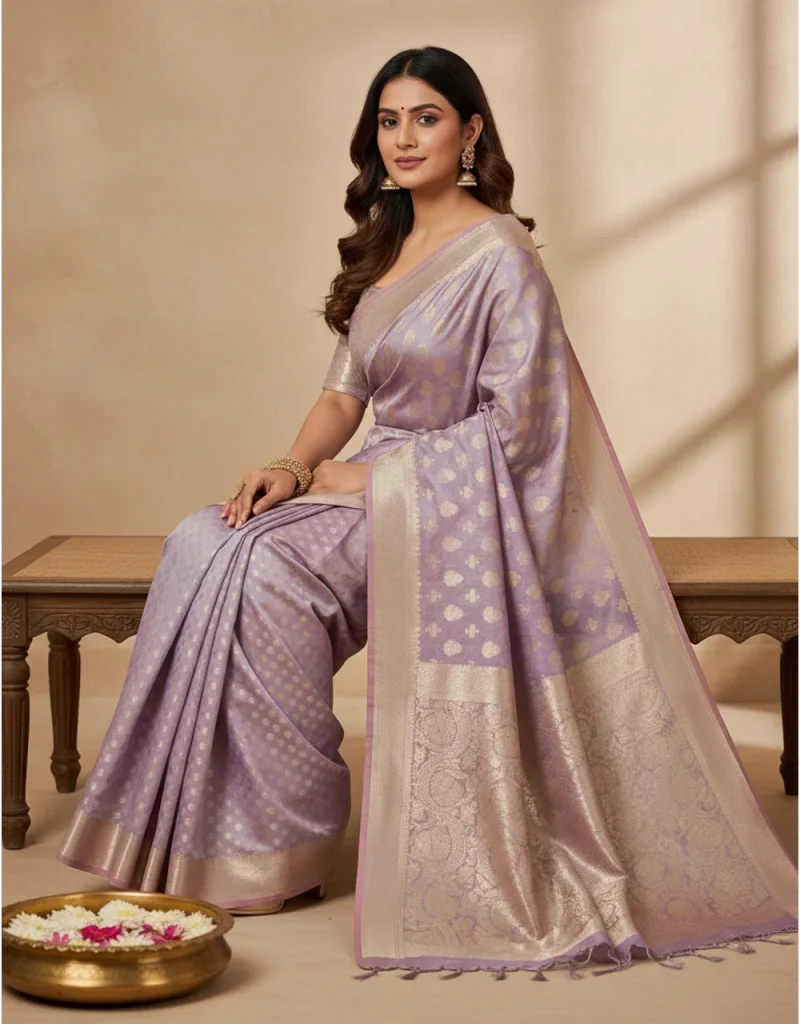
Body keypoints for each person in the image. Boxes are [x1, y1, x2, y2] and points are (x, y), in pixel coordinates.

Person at [58, 46, 798, 979]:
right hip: (375, 483)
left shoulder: (501, 256)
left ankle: (283, 846)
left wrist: (372, 481)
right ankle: (206, 838)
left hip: (451, 506)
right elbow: (343, 394)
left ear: (471, 130)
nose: (404, 138)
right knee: (207, 538)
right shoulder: (385, 246)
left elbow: (525, 430)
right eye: (388, 120)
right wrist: (293, 465)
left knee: (270, 573)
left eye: (426, 117)